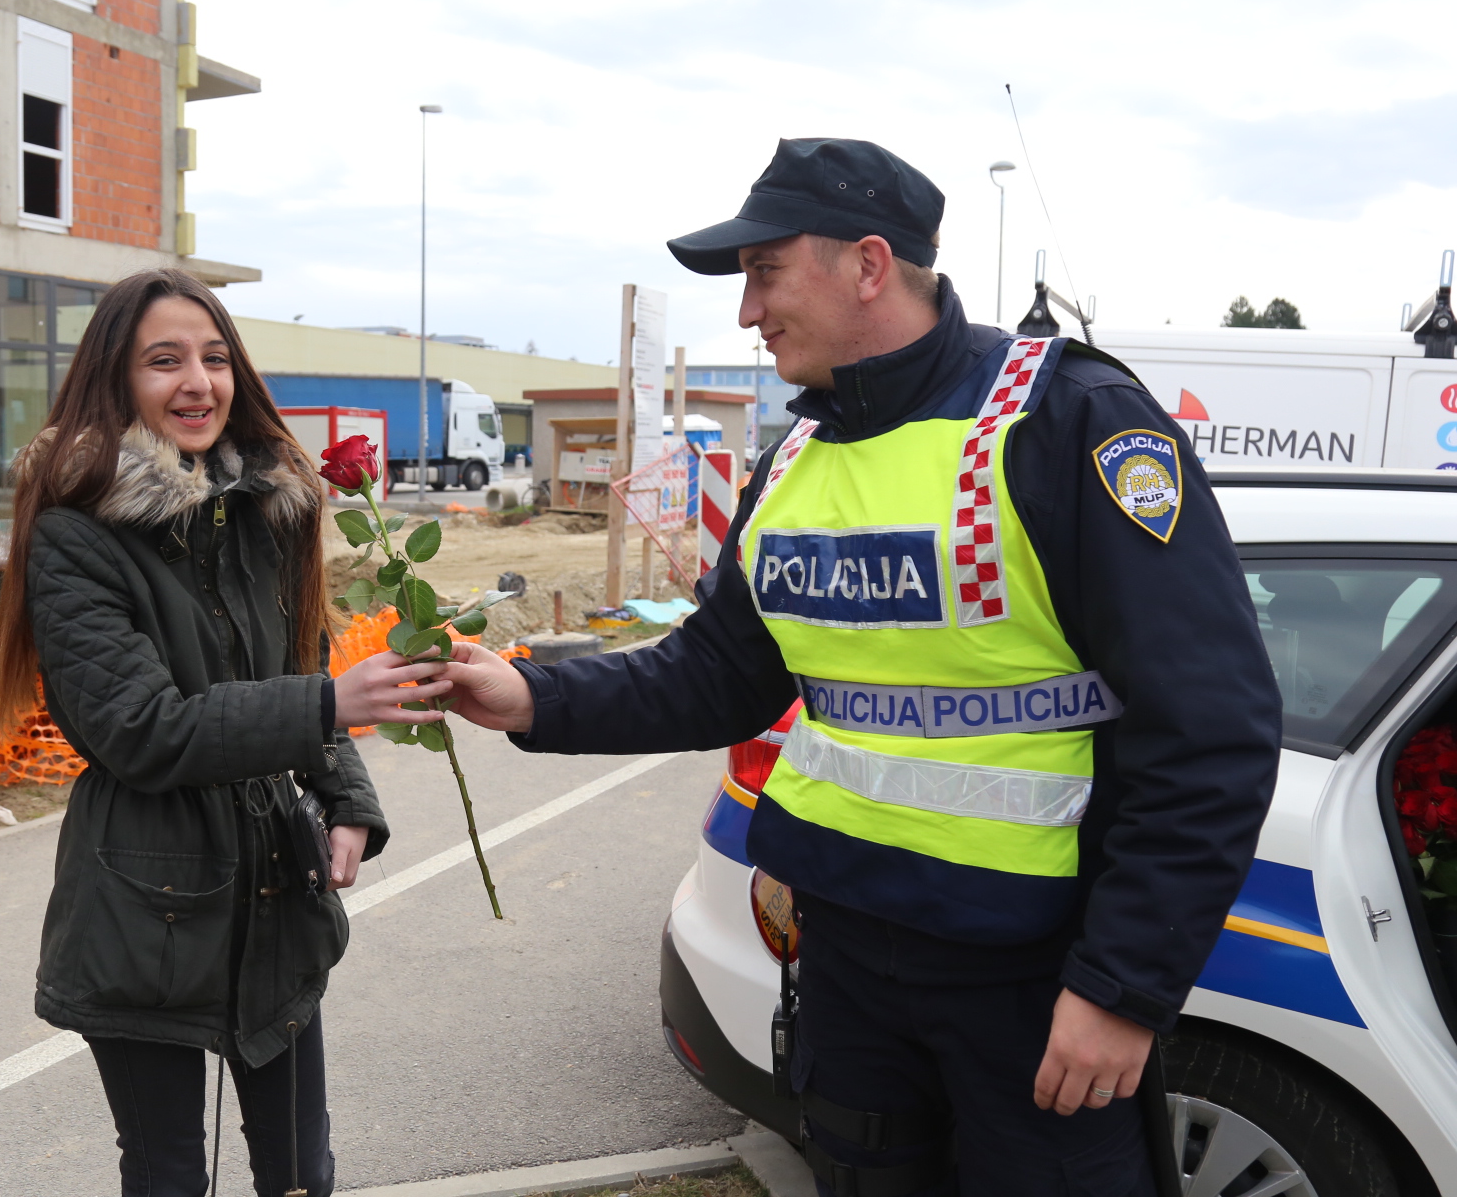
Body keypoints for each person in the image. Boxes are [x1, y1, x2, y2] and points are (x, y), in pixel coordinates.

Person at [440, 139, 1281, 1195]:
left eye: (766, 272)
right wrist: (531, 694)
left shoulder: (1067, 421)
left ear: (869, 265)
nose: (748, 310)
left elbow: (1211, 728)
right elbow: (718, 672)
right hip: (846, 966)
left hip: (1029, 976)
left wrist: (1122, 987)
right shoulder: (794, 458)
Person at [0, 267, 452, 1197]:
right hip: (141, 900)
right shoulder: (75, 534)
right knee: (169, 1177)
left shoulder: (262, 510)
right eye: (164, 361)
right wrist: (325, 708)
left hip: (275, 885)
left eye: (215, 358)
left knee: (300, 1172)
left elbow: (298, 672)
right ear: (116, 379)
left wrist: (345, 800)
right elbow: (141, 729)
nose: (198, 382)